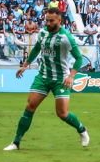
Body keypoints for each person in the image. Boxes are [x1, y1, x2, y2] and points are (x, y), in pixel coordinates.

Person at [5, 8, 89, 151]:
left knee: (62, 114)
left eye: (51, 21)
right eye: (47, 20)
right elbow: (36, 49)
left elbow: (79, 59)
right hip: (43, 76)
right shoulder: (42, 33)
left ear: (59, 20)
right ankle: (16, 142)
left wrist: (71, 76)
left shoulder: (66, 37)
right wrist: (24, 66)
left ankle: (82, 129)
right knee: (30, 106)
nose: (48, 23)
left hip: (60, 79)